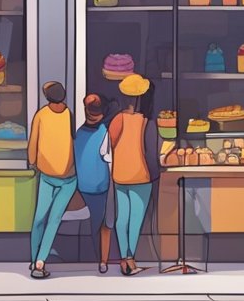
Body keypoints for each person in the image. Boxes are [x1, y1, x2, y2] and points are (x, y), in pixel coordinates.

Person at [108, 74, 160, 276]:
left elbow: (111, 145)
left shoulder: (117, 120)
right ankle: (130, 260)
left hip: (120, 174)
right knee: (136, 219)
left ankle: (124, 258)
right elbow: (153, 152)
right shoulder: (146, 122)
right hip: (141, 176)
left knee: (122, 217)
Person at [27, 81, 77, 279]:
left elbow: (33, 141)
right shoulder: (53, 115)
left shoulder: (51, 115)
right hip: (56, 176)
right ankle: (35, 260)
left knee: (46, 219)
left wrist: (32, 163)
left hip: (62, 178)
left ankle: (38, 261)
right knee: (46, 219)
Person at [74, 93, 114, 274]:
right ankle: (102, 261)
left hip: (82, 185)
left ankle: (100, 259)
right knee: (103, 225)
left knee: (95, 226)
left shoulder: (78, 134)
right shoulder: (105, 132)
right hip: (100, 186)